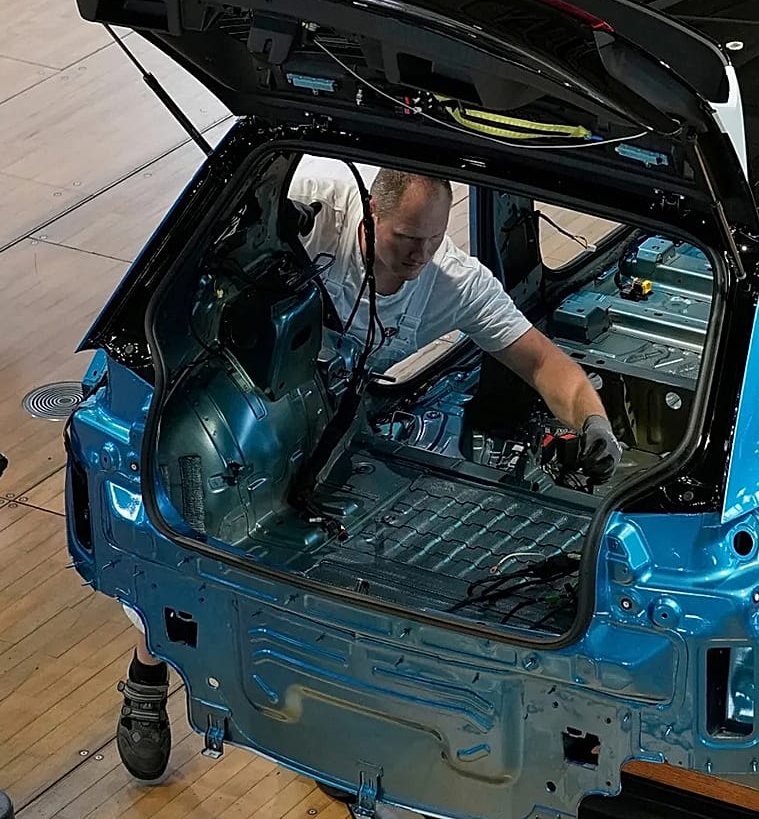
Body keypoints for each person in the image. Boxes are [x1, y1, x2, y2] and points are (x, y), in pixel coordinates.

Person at [113, 166, 622, 783]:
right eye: (406, 238)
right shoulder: (311, 204)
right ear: (369, 214)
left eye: (433, 240)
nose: (419, 255)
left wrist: (593, 423)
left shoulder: (452, 281)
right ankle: (148, 675)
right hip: (246, 404)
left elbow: (545, 363)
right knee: (188, 543)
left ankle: (326, 715)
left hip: (331, 424)